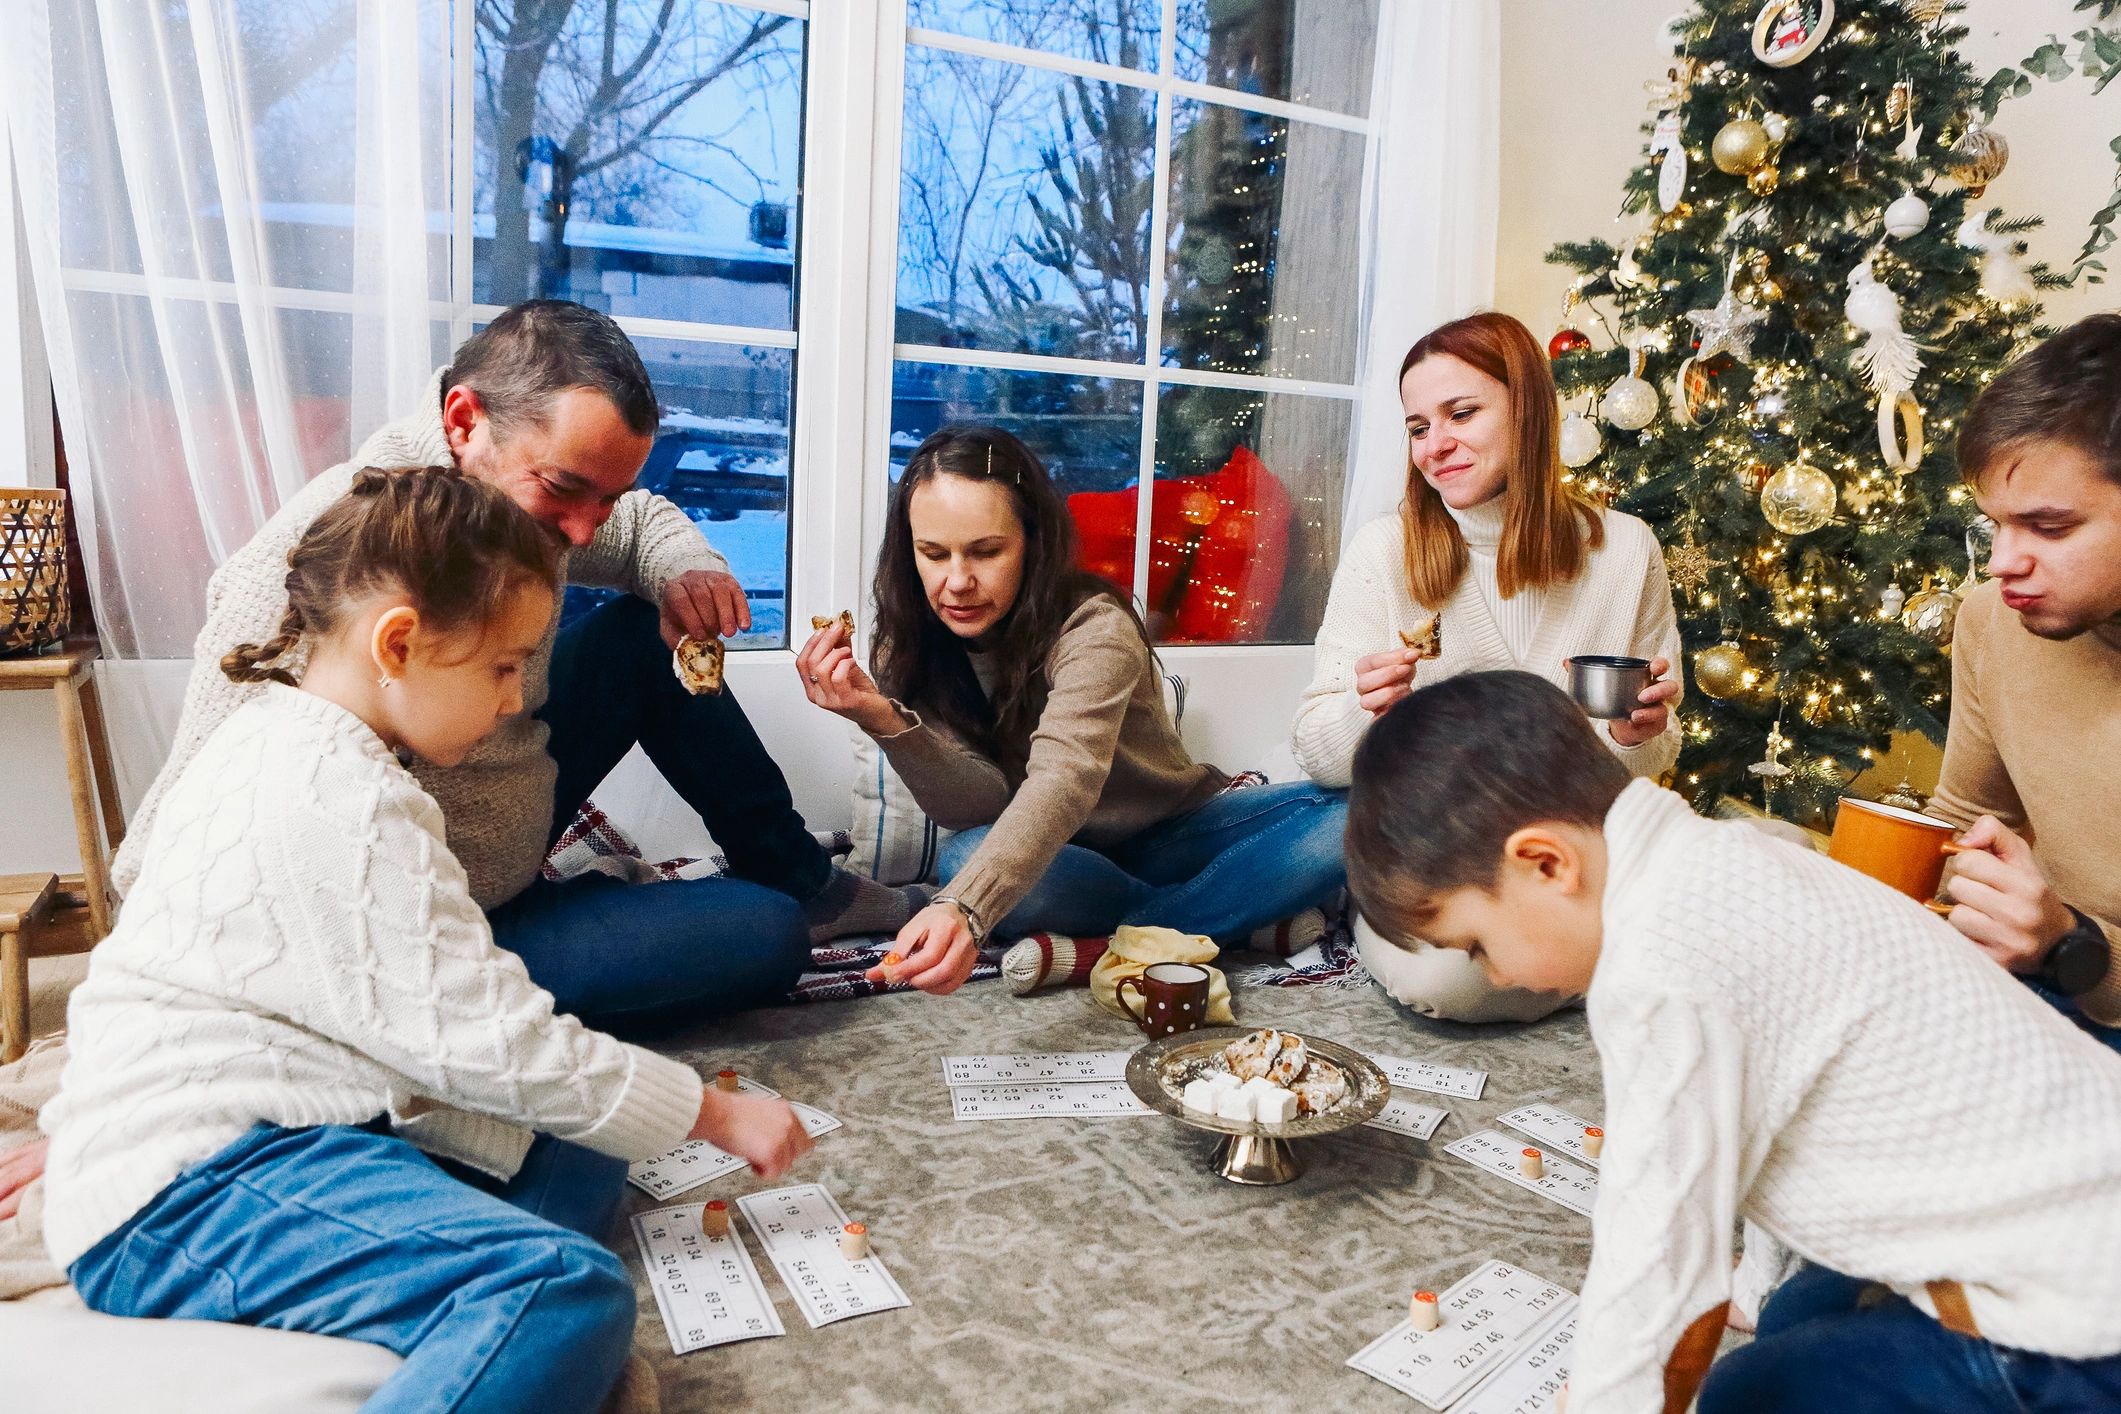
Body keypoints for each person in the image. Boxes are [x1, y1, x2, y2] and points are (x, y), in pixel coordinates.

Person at [41, 469, 813, 1413]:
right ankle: (488, 1315)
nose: (511, 701)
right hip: (191, 1195)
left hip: (291, 1127)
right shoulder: (340, 795)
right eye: (501, 668)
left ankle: (460, 1305)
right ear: (397, 643)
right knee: (562, 1290)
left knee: (584, 1139)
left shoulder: (293, 739)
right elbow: (483, 1037)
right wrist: (713, 1114)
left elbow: (438, 1020)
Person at [114, 300, 923, 1034]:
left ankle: (803, 879)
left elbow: (639, 522)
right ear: (464, 421)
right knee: (761, 934)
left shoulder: (524, 505)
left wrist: (686, 568)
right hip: (443, 927)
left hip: (512, 816)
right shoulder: (332, 561)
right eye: (565, 491)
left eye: (602, 500)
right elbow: (176, 835)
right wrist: (138, 1044)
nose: (581, 531)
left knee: (643, 634)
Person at [1342, 670, 2121, 1414]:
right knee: (1792, 1316)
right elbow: (1781, 1118)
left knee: (1748, 1397)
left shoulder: (1658, 968)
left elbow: (1655, 1264)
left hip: (2079, 1327)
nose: (1498, 976)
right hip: (2078, 1193)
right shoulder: (1732, 857)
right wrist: (1754, 1289)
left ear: (1546, 864)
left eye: (1477, 945)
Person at [794, 426, 1348, 995]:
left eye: (986, 551)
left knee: (1359, 815)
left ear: (1032, 543)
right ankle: (1220, 922)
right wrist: (886, 722)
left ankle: (1114, 944)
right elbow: (977, 806)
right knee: (966, 857)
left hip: (1171, 831)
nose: (957, 582)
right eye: (933, 553)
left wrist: (964, 909)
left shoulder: (1094, 626)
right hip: (1057, 859)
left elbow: (1066, 778)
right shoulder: (907, 644)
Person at [1292, 311, 1681, 1023]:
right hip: (1446, 855)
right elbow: (1317, 757)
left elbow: (1647, 763)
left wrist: (1636, 736)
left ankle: (1576, 956)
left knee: (1762, 865)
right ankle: (1590, 964)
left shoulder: (1625, 551)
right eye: (1417, 427)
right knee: (1456, 984)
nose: (1435, 446)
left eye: (1460, 414)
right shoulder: (1386, 553)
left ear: (1526, 411)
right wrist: (1364, 711)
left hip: (1573, 857)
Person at [1928, 312, 2121, 1053]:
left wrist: (2070, 945)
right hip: (2048, 990)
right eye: (1993, 524)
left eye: (2048, 527)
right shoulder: (1990, 622)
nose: (2003, 563)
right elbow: (1966, 818)